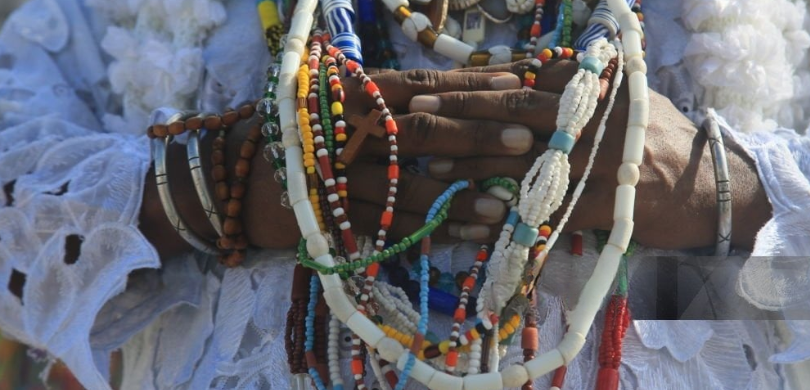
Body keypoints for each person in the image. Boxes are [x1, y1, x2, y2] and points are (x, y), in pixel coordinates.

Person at [0, 0, 808, 389]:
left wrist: (723, 194)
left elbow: (775, 297)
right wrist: (204, 190)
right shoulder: (136, 18)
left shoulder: (758, 24)